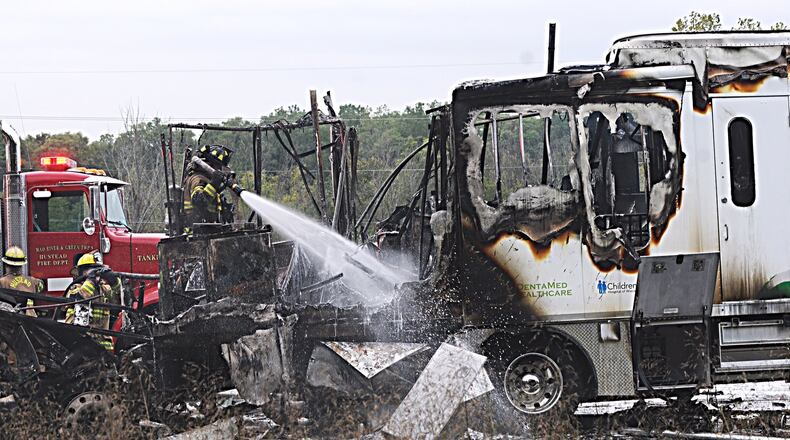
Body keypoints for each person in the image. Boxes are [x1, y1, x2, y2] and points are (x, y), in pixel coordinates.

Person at [64, 253, 121, 351]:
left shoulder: (104, 289)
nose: (97, 273)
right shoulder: (75, 288)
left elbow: (118, 300)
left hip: (102, 344)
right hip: (80, 341)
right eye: (92, 269)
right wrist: (91, 280)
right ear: (82, 272)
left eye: (98, 270)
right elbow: (82, 297)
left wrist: (115, 282)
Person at [182, 144, 235, 233]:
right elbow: (199, 201)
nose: (219, 170)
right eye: (218, 166)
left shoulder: (206, 180)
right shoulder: (197, 179)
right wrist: (214, 183)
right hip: (195, 236)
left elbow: (211, 207)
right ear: (209, 164)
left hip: (206, 233)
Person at [0, 246, 44, 317]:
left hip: (11, 321)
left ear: (6, 264)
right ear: (22, 264)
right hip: (32, 320)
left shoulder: (2, 282)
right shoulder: (35, 281)